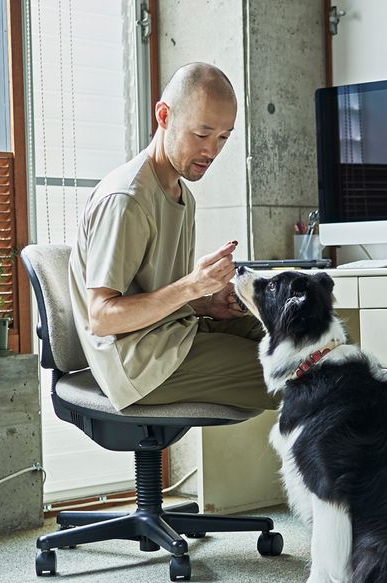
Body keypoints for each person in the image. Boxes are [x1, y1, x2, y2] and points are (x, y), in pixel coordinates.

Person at [67, 62, 276, 413]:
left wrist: (205, 304)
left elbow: (148, 297)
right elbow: (102, 317)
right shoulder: (128, 200)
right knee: (305, 376)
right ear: (164, 116)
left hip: (173, 337)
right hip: (139, 366)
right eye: (201, 134)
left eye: (223, 137)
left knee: (298, 344)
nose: (212, 150)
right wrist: (193, 286)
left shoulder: (180, 193)